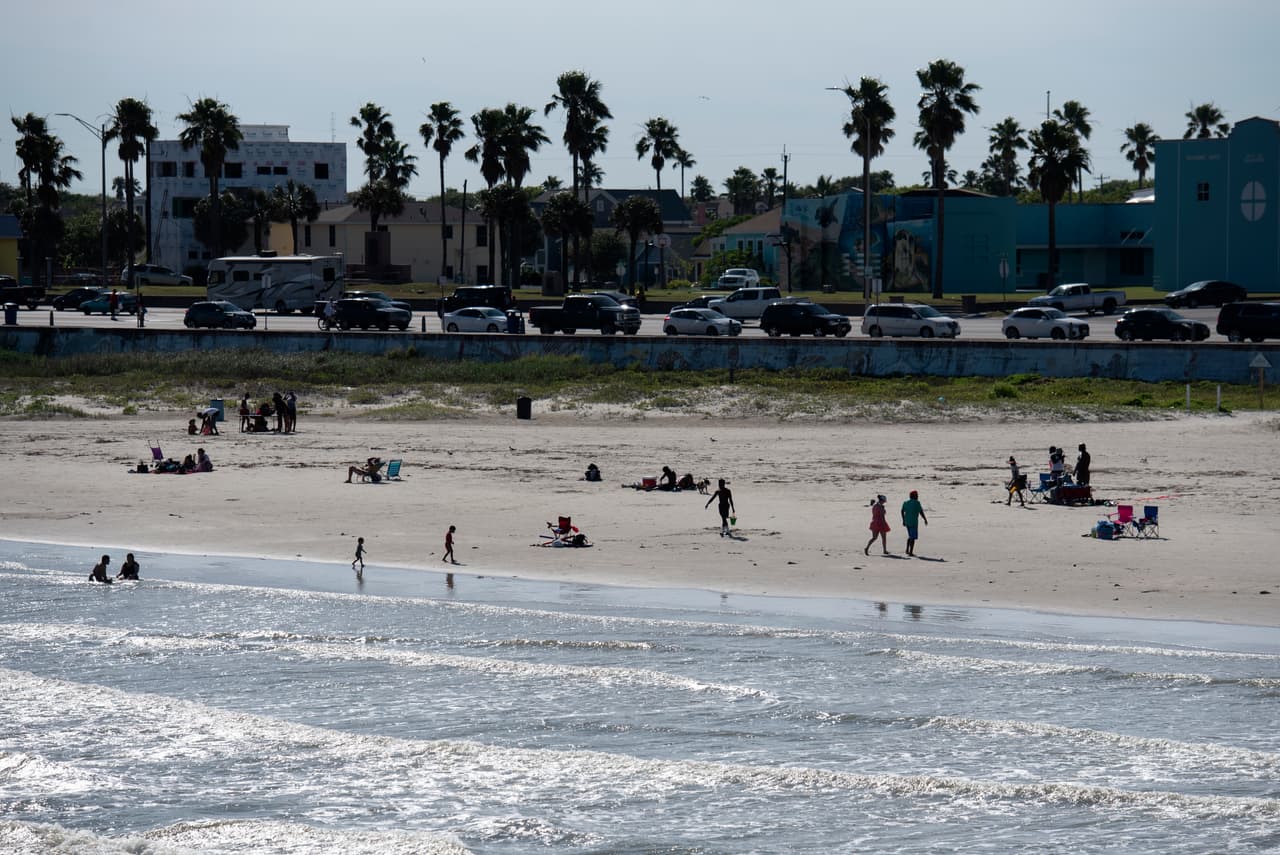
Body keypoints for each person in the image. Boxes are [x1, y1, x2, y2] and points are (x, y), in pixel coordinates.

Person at [900, 490, 928, 557]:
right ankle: (910, 552)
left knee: (910, 536)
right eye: (917, 495)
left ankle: (907, 550)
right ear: (914, 496)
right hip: (913, 522)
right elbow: (921, 512)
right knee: (912, 537)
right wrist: (925, 519)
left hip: (907, 521)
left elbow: (902, 511)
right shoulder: (917, 503)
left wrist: (903, 520)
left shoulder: (905, 502)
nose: (918, 496)